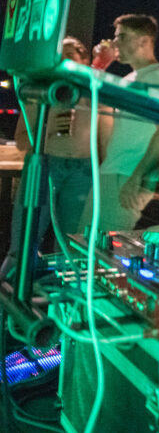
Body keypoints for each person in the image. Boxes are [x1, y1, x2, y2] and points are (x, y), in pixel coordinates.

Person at [0, 37, 96, 279]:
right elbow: (21, 137)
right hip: (45, 166)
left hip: (81, 172)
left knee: (72, 245)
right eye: (59, 57)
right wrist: (45, 139)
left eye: (71, 56)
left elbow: (103, 141)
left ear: (84, 61)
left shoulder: (92, 93)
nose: (64, 62)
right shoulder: (41, 93)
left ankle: (61, 302)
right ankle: (9, 294)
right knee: (23, 240)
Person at [80, 14, 159, 233]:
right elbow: (90, 102)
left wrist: (137, 177)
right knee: (85, 241)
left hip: (127, 175)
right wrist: (99, 65)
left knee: (100, 247)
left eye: (122, 37)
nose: (115, 43)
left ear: (144, 40)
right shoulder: (129, 80)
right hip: (113, 171)